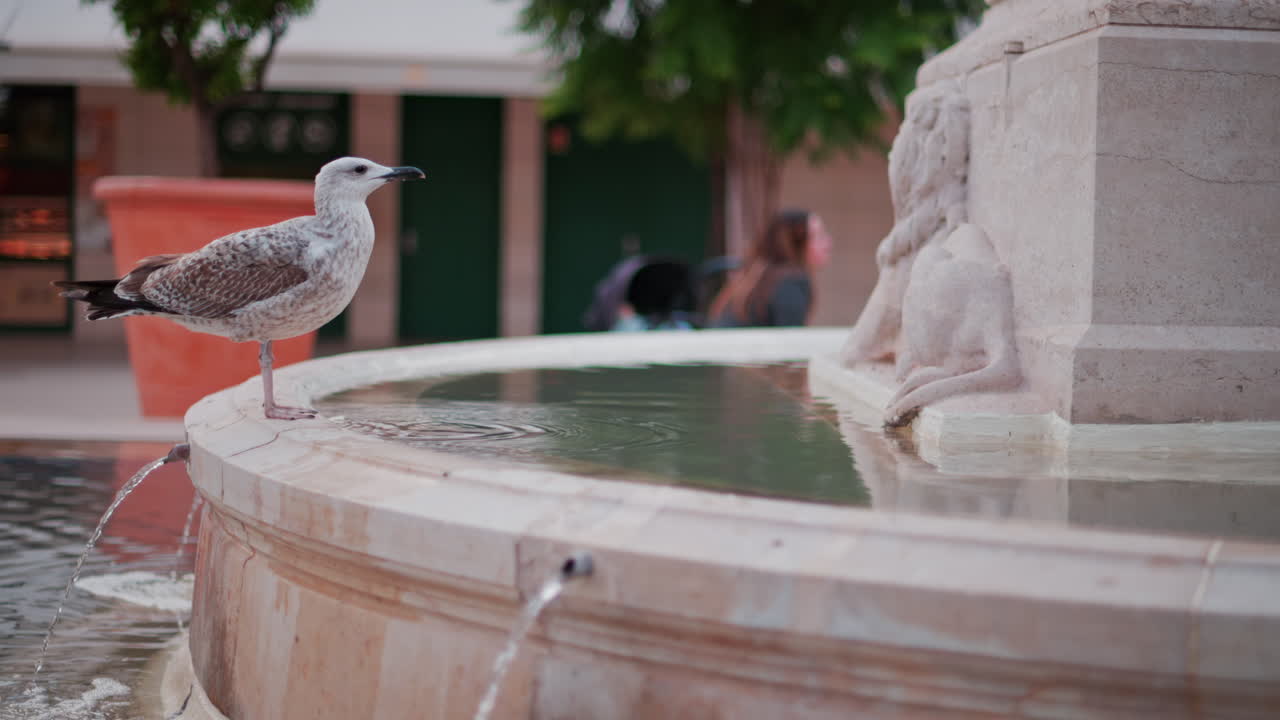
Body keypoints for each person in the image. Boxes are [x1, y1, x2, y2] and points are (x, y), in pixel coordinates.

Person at [707, 209, 833, 328]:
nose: (828, 242)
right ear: (797, 244)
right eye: (818, 236)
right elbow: (791, 343)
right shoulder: (791, 282)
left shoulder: (758, 275)